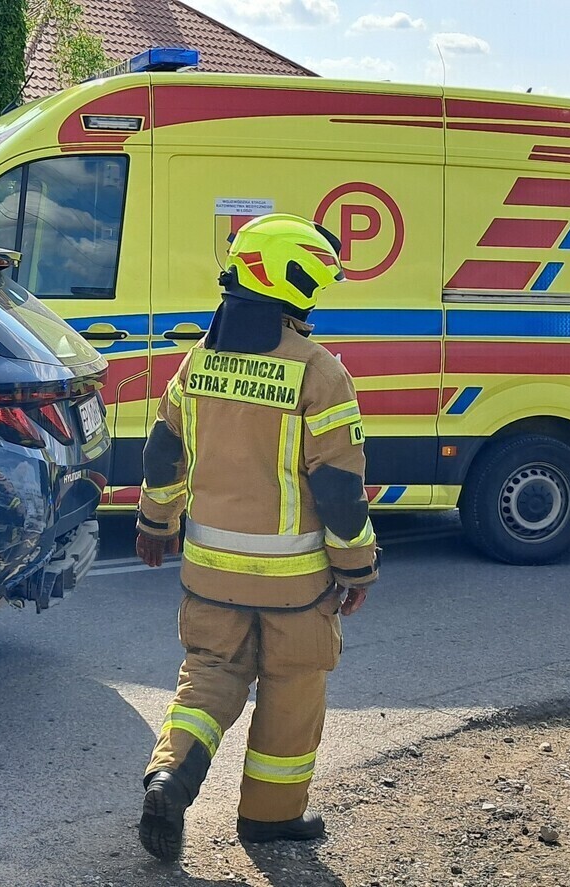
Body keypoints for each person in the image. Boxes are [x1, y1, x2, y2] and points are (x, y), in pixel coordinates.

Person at [132, 213, 381, 862]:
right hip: (294, 587)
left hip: (210, 576)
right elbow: (339, 491)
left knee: (208, 678)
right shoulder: (318, 372)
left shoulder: (198, 363)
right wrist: (357, 567)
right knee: (293, 689)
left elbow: (164, 454)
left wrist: (155, 523)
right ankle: (269, 820)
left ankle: (168, 778)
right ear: (292, 283)